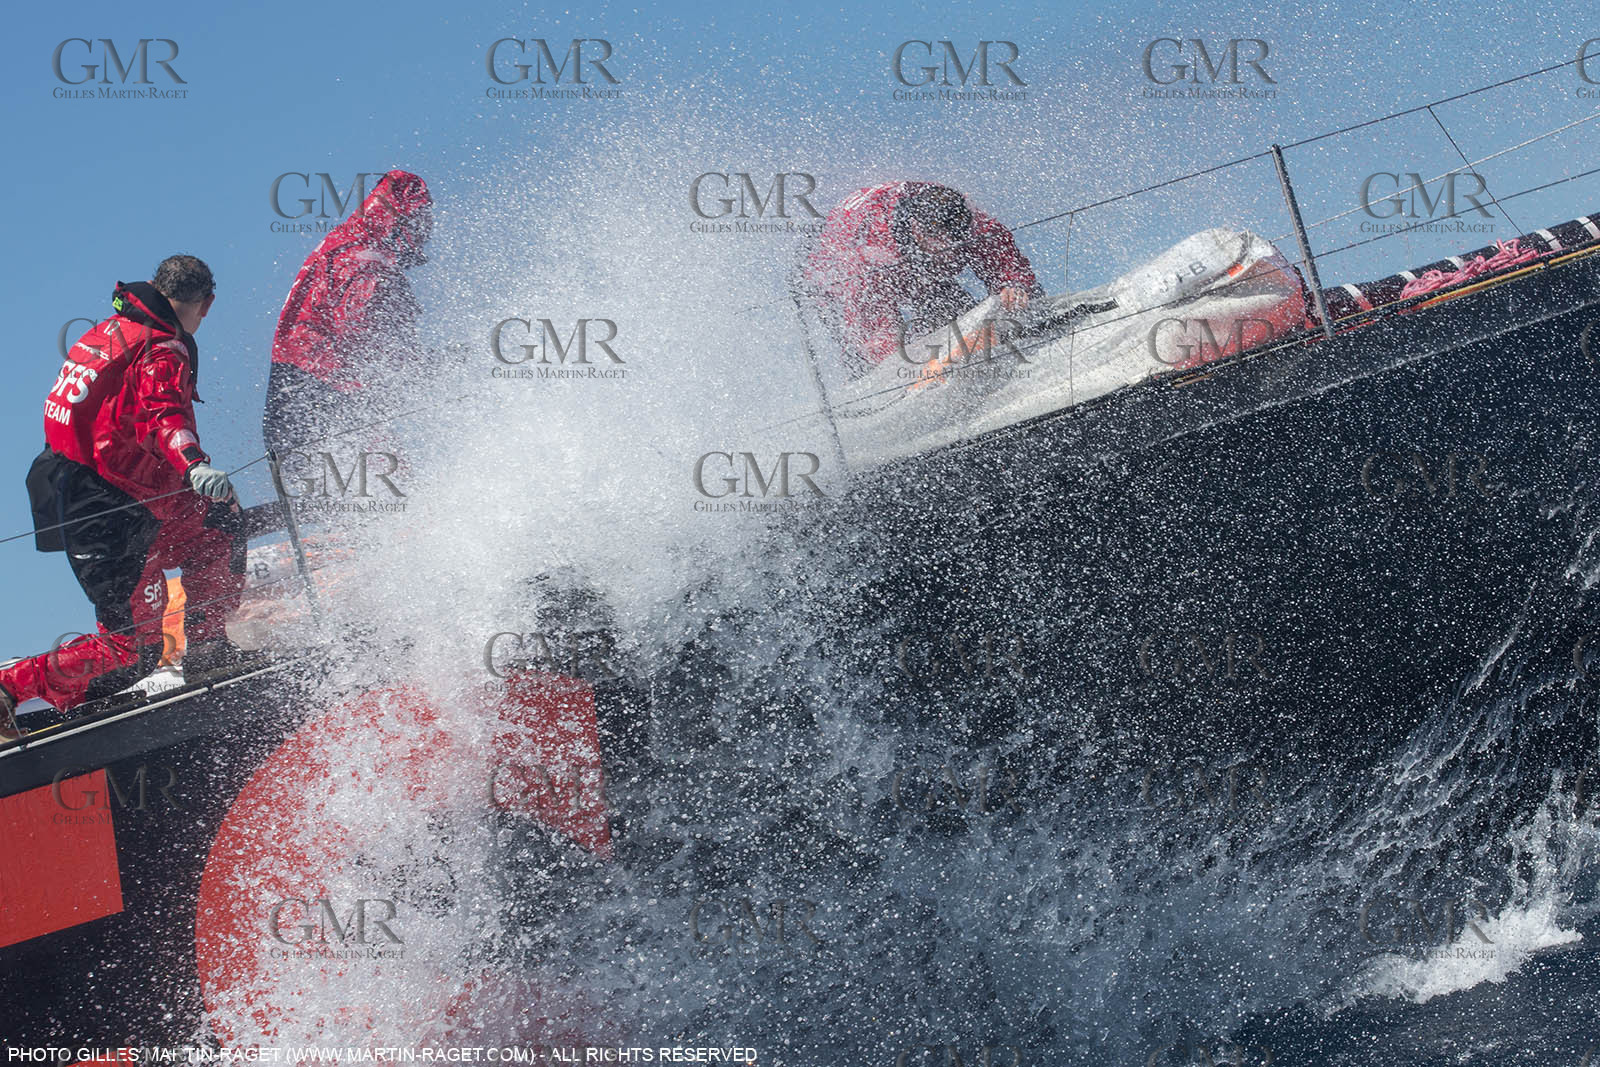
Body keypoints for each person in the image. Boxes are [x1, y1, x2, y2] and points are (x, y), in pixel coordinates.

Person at [0, 256, 246, 741]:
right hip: (111, 509)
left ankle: (209, 651)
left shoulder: (111, 329)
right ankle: (10, 686)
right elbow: (165, 415)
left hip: (107, 491)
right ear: (207, 304)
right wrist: (195, 465)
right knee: (132, 649)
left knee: (217, 527)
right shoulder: (162, 349)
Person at [262, 170, 432, 459]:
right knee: (388, 475)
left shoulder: (347, 241)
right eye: (419, 222)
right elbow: (366, 335)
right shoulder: (364, 259)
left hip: (300, 397)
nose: (425, 234)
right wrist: (427, 368)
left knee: (391, 471)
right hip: (314, 398)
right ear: (398, 217)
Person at [801, 181, 1043, 381]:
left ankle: (1017, 349)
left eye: (955, 245)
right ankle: (875, 395)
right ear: (917, 228)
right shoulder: (873, 253)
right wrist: (908, 371)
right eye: (939, 246)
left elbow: (1002, 254)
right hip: (831, 278)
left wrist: (1013, 283)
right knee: (872, 356)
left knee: (958, 314)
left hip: (906, 259)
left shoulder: (966, 220)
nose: (948, 254)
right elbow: (872, 324)